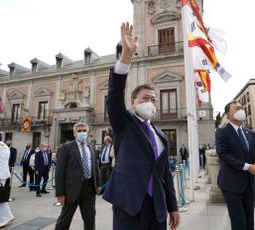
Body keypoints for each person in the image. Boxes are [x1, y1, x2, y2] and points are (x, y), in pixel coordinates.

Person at [102, 22, 179, 230]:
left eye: (154, 99)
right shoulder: (124, 123)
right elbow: (115, 95)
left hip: (158, 208)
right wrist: (126, 56)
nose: (151, 103)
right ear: (133, 102)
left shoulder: (160, 135)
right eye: (145, 98)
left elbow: (165, 174)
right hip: (130, 205)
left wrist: (173, 206)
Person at [215, 101, 255, 230]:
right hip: (231, 184)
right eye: (237, 109)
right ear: (228, 114)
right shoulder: (222, 132)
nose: (241, 110)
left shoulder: (250, 133)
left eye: (241, 108)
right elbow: (223, 155)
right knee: (239, 222)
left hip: (249, 184)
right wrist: (246, 166)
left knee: (250, 222)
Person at [55, 122, 101, 230]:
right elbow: (59, 171)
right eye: (79, 131)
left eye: (84, 131)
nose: (82, 133)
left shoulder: (91, 146)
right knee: (65, 220)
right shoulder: (66, 147)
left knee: (90, 219)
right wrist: (60, 193)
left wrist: (98, 184)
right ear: (74, 133)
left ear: (87, 132)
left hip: (89, 189)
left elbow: (95, 166)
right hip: (71, 190)